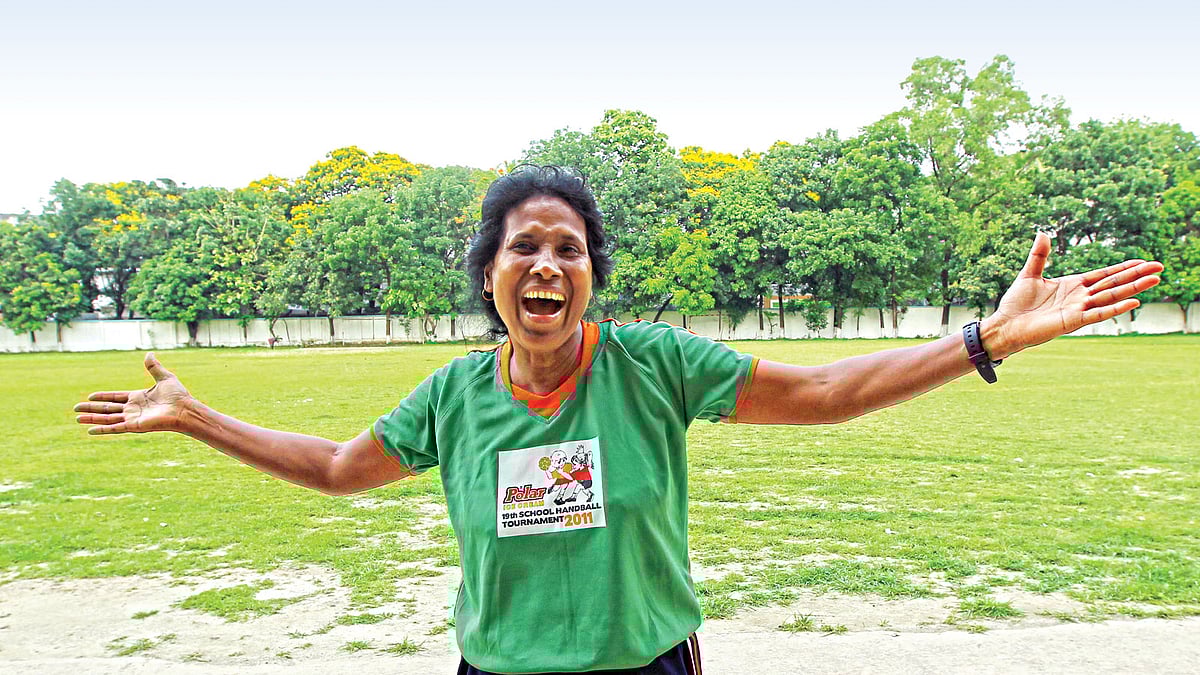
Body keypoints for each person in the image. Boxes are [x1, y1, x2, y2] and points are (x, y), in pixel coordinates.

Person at [74, 165, 1162, 674]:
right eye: (522, 246)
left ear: (589, 275)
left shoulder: (653, 368)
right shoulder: (453, 397)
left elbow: (827, 393)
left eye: (569, 247)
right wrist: (192, 416)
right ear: (490, 276)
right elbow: (335, 467)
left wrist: (987, 340)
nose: (547, 262)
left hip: (650, 672)